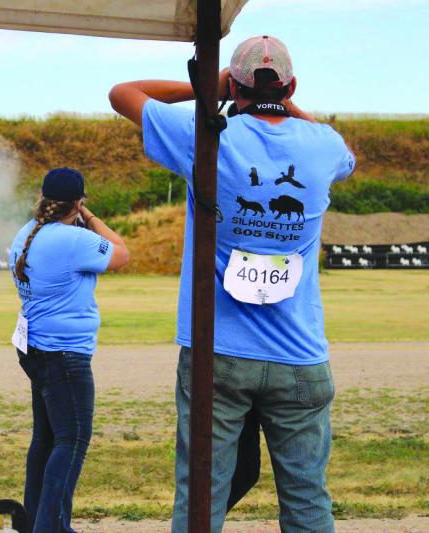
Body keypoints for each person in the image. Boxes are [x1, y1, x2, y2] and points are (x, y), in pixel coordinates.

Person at [109, 35, 355, 532]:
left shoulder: (203, 132)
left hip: (216, 352)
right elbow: (345, 159)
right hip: (300, 355)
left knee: (201, 498)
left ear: (232, 85)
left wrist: (204, 88)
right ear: (291, 86)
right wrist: (282, 101)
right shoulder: (323, 144)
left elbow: (122, 93)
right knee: (308, 503)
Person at [9, 167, 130, 532]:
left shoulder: (26, 233)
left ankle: (38, 524)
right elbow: (122, 252)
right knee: (72, 440)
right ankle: (50, 528)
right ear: (76, 203)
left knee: (46, 439)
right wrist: (88, 215)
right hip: (65, 355)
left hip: (36, 348)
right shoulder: (71, 239)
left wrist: (76, 211)